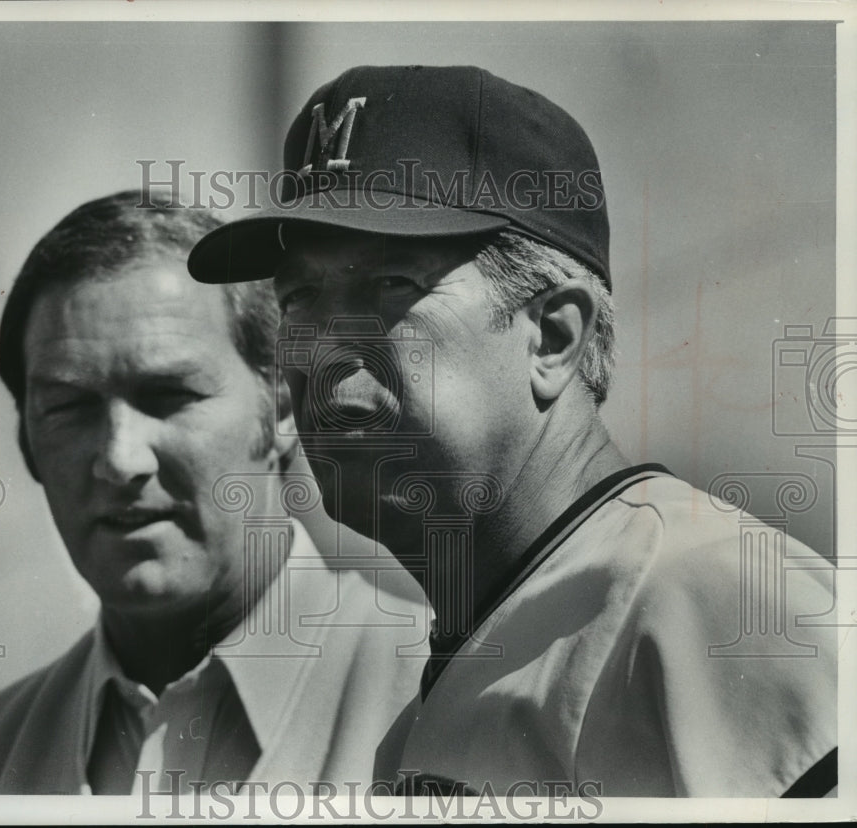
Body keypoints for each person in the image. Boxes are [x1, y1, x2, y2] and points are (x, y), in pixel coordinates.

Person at [187, 65, 838, 797]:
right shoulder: (447, 675)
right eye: (300, 298)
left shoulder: (717, 599)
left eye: (392, 286)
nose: (323, 360)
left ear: (553, 339)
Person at [0, 190, 428, 795]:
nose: (120, 459)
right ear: (27, 443)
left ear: (282, 405)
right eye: (69, 407)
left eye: (170, 396)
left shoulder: (445, 695)